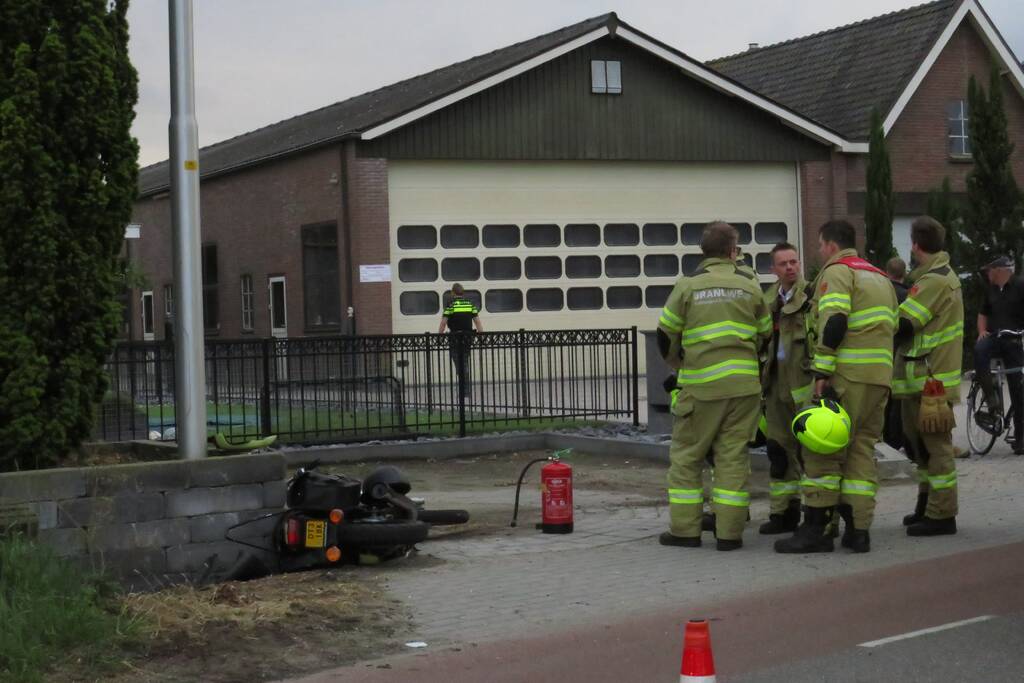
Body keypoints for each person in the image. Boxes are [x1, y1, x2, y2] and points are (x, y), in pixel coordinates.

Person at [775, 219, 897, 554]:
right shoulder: (880, 277)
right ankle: (859, 531)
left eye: (818, 245)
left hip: (846, 377)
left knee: (822, 449)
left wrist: (822, 372)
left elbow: (836, 320)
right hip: (878, 379)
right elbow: (894, 328)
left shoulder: (837, 272)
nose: (818, 252)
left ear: (829, 245)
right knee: (860, 450)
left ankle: (816, 530)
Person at [656, 222, 771, 551]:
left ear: (703, 251)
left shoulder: (688, 286)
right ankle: (729, 535)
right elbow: (766, 333)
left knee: (687, 458)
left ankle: (685, 531)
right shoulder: (749, 286)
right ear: (733, 251)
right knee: (732, 459)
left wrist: (679, 365)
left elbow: (665, 334)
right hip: (744, 388)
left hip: (701, 389)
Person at [893, 216, 963, 535]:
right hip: (919, 376)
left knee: (936, 448)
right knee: (919, 447)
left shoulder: (935, 280)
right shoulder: (929, 277)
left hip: (932, 379)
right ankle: (926, 504)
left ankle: (942, 514)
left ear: (915, 245)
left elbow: (906, 324)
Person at [759, 242, 812, 535]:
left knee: (811, 454)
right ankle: (783, 513)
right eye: (784, 264)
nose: (791, 267)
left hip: (804, 384)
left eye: (794, 261)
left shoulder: (812, 296)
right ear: (773, 269)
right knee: (778, 450)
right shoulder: (767, 300)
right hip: (776, 383)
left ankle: (817, 512)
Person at [974, 255, 1024, 452]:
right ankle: (991, 398)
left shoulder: (1020, 286)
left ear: (1000, 270)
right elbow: (982, 314)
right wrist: (981, 331)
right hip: (995, 337)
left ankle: (1020, 439)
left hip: (1014, 340)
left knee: (1018, 387)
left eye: (989, 270)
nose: (987, 274)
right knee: (980, 349)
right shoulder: (991, 291)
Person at [882, 256, 909, 450]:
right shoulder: (908, 295)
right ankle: (896, 439)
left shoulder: (880, 293)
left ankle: (885, 437)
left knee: (883, 399)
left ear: (886, 272)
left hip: (881, 351)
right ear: (904, 273)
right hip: (901, 351)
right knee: (898, 400)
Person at [438, 283, 482, 401]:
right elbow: (477, 322)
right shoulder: (470, 304)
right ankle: (466, 389)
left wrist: (439, 336)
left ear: (453, 293)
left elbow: (443, 323)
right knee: (465, 361)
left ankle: (463, 387)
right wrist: (482, 335)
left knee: (458, 362)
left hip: (455, 338)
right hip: (467, 338)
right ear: (463, 292)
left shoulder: (450, 305)